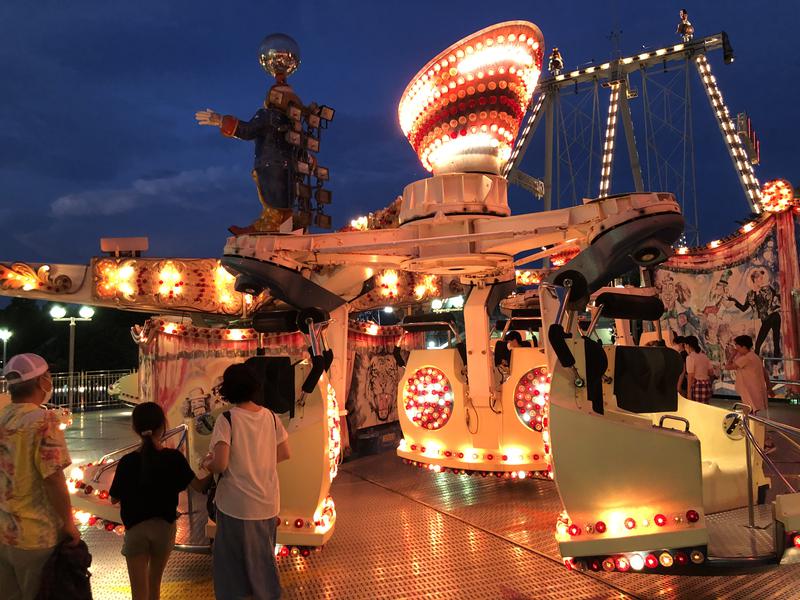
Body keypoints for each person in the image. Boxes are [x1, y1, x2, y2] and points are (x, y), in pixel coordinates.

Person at [204, 363, 291, 600]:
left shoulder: (228, 419)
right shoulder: (271, 417)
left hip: (236, 505)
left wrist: (206, 464)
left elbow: (220, 464)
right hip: (267, 504)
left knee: (232, 567)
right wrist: (257, 460)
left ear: (227, 390)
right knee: (263, 562)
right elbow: (284, 453)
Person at [109, 402, 210, 600]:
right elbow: (199, 487)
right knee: (154, 585)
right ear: (163, 425)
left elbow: (114, 498)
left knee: (138, 593)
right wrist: (215, 468)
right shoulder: (173, 458)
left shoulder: (127, 461)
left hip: (136, 530)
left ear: (134, 428)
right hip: (164, 529)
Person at [0, 354, 80, 600]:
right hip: (37, 537)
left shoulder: (2, 417)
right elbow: (52, 478)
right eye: (48, 376)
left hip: (4, 534)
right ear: (41, 381)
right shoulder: (43, 421)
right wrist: (68, 522)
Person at [726, 335, 775, 452]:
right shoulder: (754, 357)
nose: (736, 348)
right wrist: (769, 388)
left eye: (737, 346)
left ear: (743, 346)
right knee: (753, 418)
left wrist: (733, 354)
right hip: (755, 392)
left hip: (751, 393)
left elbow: (727, 366)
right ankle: (761, 441)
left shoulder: (746, 358)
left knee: (753, 419)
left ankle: (767, 443)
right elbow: (765, 373)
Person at [685, 336, 713, 404]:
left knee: (696, 409)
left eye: (685, 345)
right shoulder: (704, 356)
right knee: (705, 407)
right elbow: (711, 372)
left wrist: (688, 393)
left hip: (697, 386)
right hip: (707, 385)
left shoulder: (690, 357)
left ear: (688, 345)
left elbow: (690, 376)